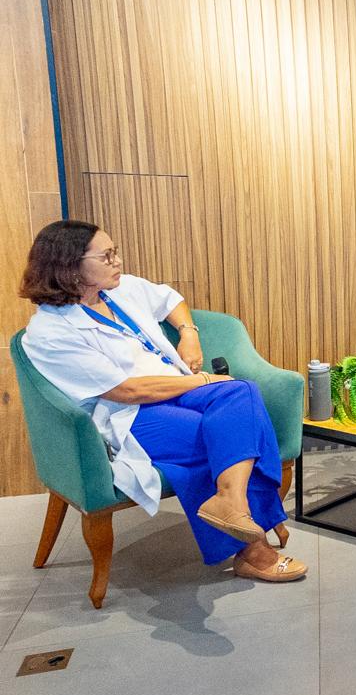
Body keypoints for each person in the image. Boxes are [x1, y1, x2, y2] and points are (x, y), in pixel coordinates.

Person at [19, 220, 305, 581]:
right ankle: (253, 550)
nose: (117, 261)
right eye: (106, 256)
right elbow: (127, 390)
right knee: (220, 436)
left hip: (176, 387)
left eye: (116, 251)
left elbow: (171, 299)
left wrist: (189, 333)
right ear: (69, 267)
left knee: (242, 391)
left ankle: (230, 501)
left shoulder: (119, 290)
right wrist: (201, 380)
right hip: (129, 413)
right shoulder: (50, 332)